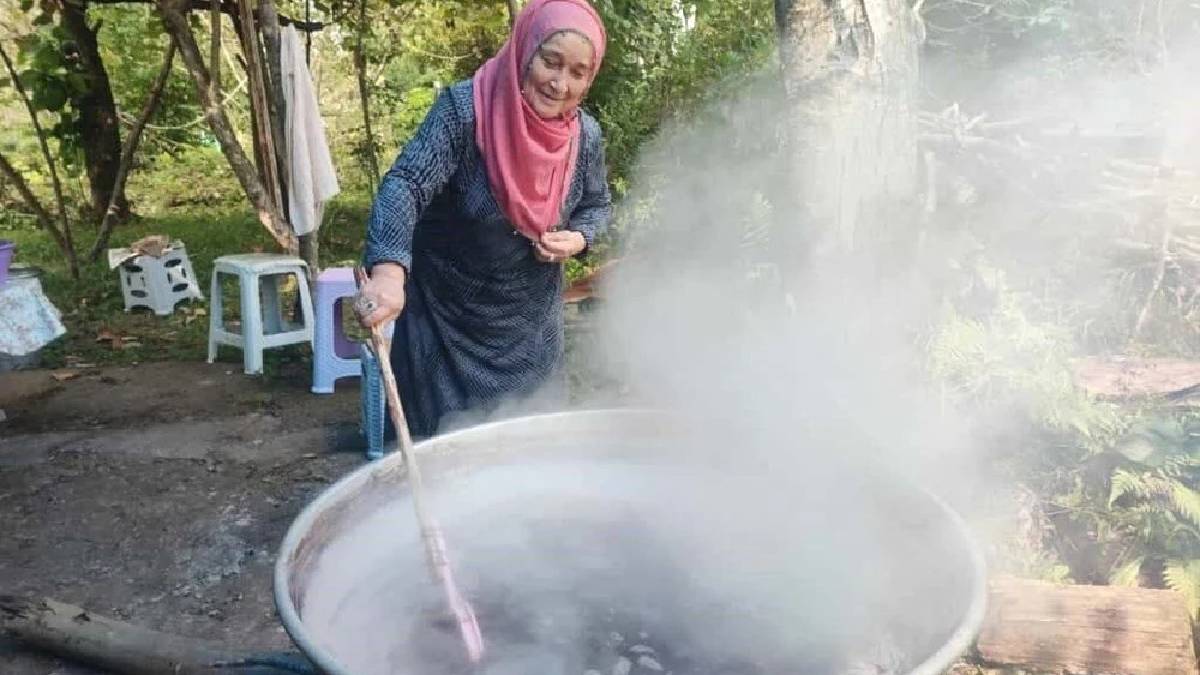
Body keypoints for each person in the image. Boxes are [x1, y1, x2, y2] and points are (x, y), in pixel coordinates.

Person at [355, 0, 611, 439]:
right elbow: (407, 184)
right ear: (524, 51)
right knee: (446, 454)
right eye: (550, 62)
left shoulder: (583, 137)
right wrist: (388, 273)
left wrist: (579, 238)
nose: (559, 83)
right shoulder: (465, 112)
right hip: (446, 324)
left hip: (531, 331)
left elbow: (598, 205)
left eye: (577, 72)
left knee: (532, 448)